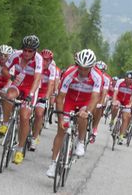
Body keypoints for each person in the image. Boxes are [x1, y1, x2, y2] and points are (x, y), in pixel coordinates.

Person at [46, 49, 102, 178]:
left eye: (86, 68)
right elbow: (60, 98)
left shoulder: (97, 76)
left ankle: (81, 141)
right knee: (61, 130)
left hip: (86, 100)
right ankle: (53, 164)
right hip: (70, 100)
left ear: (91, 67)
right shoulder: (70, 73)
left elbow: (95, 97)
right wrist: (60, 119)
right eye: (80, 67)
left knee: (83, 115)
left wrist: (87, 111)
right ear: (77, 65)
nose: (82, 71)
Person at [0, 35, 43, 165]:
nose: (27, 53)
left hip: (31, 88)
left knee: (24, 116)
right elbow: (4, 69)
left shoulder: (38, 60)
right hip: (18, 84)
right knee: (8, 96)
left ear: (35, 51)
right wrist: (11, 77)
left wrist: (31, 94)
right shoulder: (16, 55)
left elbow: (37, 78)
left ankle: (19, 150)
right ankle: (5, 124)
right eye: (25, 50)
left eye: (30, 51)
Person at [30, 49, 56, 151]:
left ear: (50, 61)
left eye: (47, 60)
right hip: (32, 90)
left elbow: (51, 85)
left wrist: (46, 97)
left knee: (39, 113)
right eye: (43, 60)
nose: (45, 62)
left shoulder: (52, 69)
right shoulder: (35, 64)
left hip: (42, 93)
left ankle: (35, 137)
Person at [110, 70, 132, 144]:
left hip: (127, 101)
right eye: (127, 78)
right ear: (125, 77)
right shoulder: (120, 81)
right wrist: (114, 101)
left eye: (130, 79)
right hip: (119, 98)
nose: (128, 80)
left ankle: (121, 136)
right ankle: (112, 119)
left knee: (125, 118)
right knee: (114, 107)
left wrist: (130, 105)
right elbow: (115, 92)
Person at [90, 60, 110, 143]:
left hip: (100, 95)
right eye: (97, 70)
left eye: (101, 71)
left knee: (100, 107)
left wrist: (101, 103)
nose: (99, 72)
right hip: (90, 93)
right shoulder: (91, 74)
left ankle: (94, 127)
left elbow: (105, 91)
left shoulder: (106, 78)